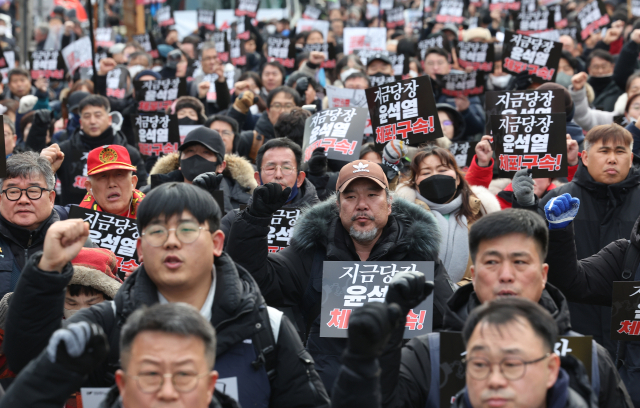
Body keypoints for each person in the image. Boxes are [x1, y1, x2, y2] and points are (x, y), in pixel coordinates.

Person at [4, 182, 331, 408]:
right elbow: (27, 364)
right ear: (141, 247)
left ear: (217, 242)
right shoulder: (105, 324)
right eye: (157, 230)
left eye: (187, 230)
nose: (172, 242)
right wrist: (46, 270)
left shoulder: (267, 328)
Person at [332, 209, 631, 408]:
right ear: (473, 276)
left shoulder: (588, 358)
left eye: (520, 261)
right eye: (491, 262)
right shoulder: (428, 354)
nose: (505, 275)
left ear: (543, 275)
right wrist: (370, 357)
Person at [225, 159, 456, 393]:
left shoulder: (419, 257)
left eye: (373, 195)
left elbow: (451, 327)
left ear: (389, 204)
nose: (362, 205)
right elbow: (253, 281)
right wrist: (255, 220)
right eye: (351, 197)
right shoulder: (309, 253)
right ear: (338, 205)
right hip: (326, 395)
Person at [535, 124, 640, 358]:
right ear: (584, 157)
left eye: (620, 151)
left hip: (632, 338)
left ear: (631, 158)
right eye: (604, 151)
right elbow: (533, 253)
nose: (612, 159)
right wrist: (525, 207)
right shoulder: (558, 199)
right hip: (574, 324)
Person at [395, 146, 500, 283]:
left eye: (443, 170)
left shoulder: (481, 214)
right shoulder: (403, 217)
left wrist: (460, 292)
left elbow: (492, 264)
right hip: (419, 296)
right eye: (426, 173)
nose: (435, 176)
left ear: (457, 179)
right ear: (415, 183)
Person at [0, 152, 90, 298]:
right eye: (13, 191)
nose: (23, 200)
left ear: (51, 198)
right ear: (0, 199)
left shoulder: (77, 240)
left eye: (33, 191)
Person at [38, 95, 147, 206]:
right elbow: (44, 188)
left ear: (109, 119)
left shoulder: (129, 153)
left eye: (98, 115)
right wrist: (46, 169)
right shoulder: (63, 152)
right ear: (80, 122)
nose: (92, 121)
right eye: (87, 116)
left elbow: (142, 188)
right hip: (72, 217)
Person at [220, 137, 319, 245]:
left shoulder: (322, 221)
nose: (278, 175)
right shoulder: (234, 221)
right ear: (257, 179)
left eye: (286, 168)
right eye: (270, 168)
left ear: (299, 178)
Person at [148, 127, 256, 213]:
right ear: (180, 162)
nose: (196, 157)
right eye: (190, 151)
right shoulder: (149, 196)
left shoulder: (244, 202)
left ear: (221, 166)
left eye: (206, 152)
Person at [189, 42, 231, 116]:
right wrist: (201, 96)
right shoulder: (193, 77)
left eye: (214, 57)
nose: (212, 62)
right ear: (201, 61)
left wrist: (221, 80)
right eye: (208, 58)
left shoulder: (228, 74)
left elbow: (226, 105)